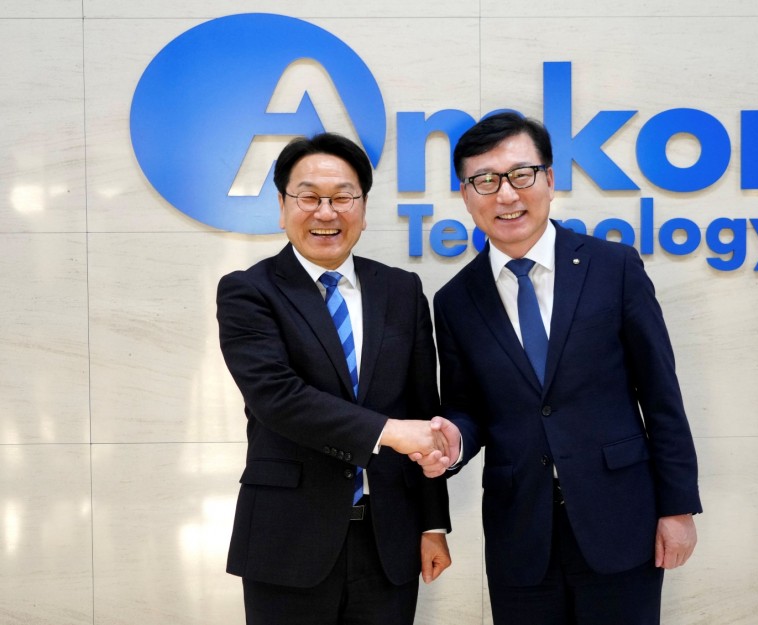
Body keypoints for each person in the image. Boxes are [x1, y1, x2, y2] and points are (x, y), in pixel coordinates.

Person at [413, 112, 702, 625]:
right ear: (466, 195)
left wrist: (677, 508)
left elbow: (661, 393)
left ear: (549, 178)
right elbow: (466, 407)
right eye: (486, 180)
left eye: (521, 175)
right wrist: (453, 440)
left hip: (621, 520)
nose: (506, 194)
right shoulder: (455, 300)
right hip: (520, 535)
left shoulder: (614, 268)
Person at [217, 132, 453, 625]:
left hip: (389, 541)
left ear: (363, 209)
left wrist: (433, 524)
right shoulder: (248, 292)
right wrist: (390, 432)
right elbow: (277, 398)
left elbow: (423, 406)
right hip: (288, 541)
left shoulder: (402, 290)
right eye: (309, 197)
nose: (326, 212)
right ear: (282, 207)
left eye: (343, 197)